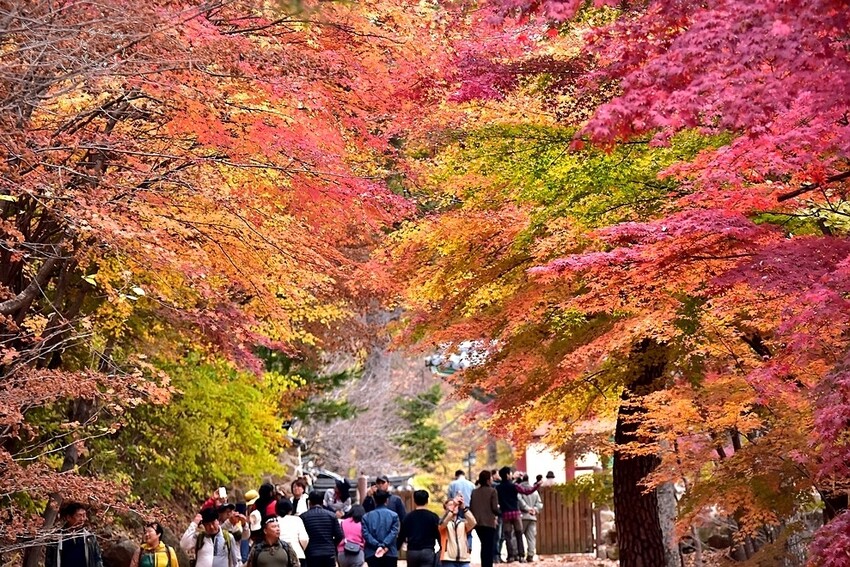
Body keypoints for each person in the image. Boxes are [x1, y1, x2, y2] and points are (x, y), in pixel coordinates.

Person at [495, 467, 540, 563]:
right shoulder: (514, 486)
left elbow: (496, 501)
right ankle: (521, 556)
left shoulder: (498, 488)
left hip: (505, 514)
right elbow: (527, 491)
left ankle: (510, 556)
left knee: (508, 536)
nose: (511, 475)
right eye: (510, 473)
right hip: (515, 513)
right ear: (507, 475)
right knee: (519, 534)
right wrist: (537, 485)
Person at [45, 501, 104, 567]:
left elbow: (97, 558)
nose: (82, 519)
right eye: (79, 516)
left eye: (84, 515)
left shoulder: (89, 537)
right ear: (68, 517)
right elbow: (49, 561)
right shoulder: (56, 538)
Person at [301, 490, 344, 567]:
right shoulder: (331, 515)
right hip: (329, 553)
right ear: (322, 501)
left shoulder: (303, 517)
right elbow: (339, 535)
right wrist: (331, 544)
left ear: (309, 502)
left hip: (311, 553)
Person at [398, 490, 440, 567]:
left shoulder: (408, 517)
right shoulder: (433, 517)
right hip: (428, 551)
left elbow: (402, 535)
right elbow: (438, 534)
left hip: (412, 551)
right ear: (427, 500)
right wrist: (441, 547)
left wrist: (397, 547)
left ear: (414, 501)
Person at [361, 490, 400, 567]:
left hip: (372, 552)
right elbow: (394, 532)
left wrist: (377, 545)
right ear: (386, 500)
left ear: (374, 500)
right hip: (390, 552)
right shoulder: (394, 515)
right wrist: (384, 545)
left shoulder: (366, 517)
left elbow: (366, 534)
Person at [469, 471, 499, 567]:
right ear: (487, 480)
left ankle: (484, 564)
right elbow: (494, 508)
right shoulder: (492, 491)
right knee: (488, 546)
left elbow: (472, 507)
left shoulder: (474, 492)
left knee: (484, 545)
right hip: (489, 522)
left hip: (477, 523)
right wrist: (500, 513)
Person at [438, 496, 477, 567]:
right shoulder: (443, 522)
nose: (454, 506)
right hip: (448, 559)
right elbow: (442, 525)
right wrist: (451, 510)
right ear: (445, 508)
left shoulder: (463, 522)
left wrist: (464, 508)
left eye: (456, 505)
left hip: (464, 558)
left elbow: (473, 522)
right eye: (451, 505)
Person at [518, 476, 543, 563]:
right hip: (532, 517)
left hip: (522, 516)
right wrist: (534, 510)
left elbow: (520, 501)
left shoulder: (520, 491)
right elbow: (540, 504)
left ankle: (520, 555)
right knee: (531, 537)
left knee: (518, 536)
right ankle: (530, 555)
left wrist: (527, 508)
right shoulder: (534, 491)